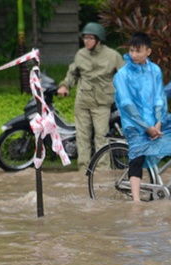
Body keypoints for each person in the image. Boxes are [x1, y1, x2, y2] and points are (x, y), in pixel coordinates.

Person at [113, 32, 171, 202]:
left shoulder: (154, 70)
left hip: (157, 121)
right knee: (137, 155)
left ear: (148, 52)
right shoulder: (122, 75)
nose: (134, 55)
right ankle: (136, 202)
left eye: (138, 51)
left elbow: (160, 97)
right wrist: (147, 127)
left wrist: (158, 121)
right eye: (131, 51)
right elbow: (126, 103)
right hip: (134, 123)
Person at [57, 22, 125, 172]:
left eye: (90, 38)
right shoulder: (80, 54)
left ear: (99, 39)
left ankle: (102, 171)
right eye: (84, 38)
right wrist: (65, 85)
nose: (86, 41)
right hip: (83, 100)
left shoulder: (113, 56)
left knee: (101, 137)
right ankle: (83, 171)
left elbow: (125, 76)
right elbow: (72, 73)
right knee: (82, 137)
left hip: (102, 102)